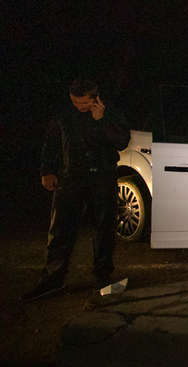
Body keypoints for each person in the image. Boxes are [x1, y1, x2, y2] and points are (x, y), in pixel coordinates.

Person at [21, 79, 130, 302]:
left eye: (84, 102)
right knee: (60, 229)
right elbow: (52, 142)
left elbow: (121, 141)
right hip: (70, 176)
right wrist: (47, 170)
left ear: (95, 97)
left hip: (102, 176)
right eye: (75, 102)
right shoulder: (64, 114)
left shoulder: (111, 112)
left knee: (103, 228)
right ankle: (53, 279)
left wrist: (100, 120)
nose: (79, 106)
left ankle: (102, 276)